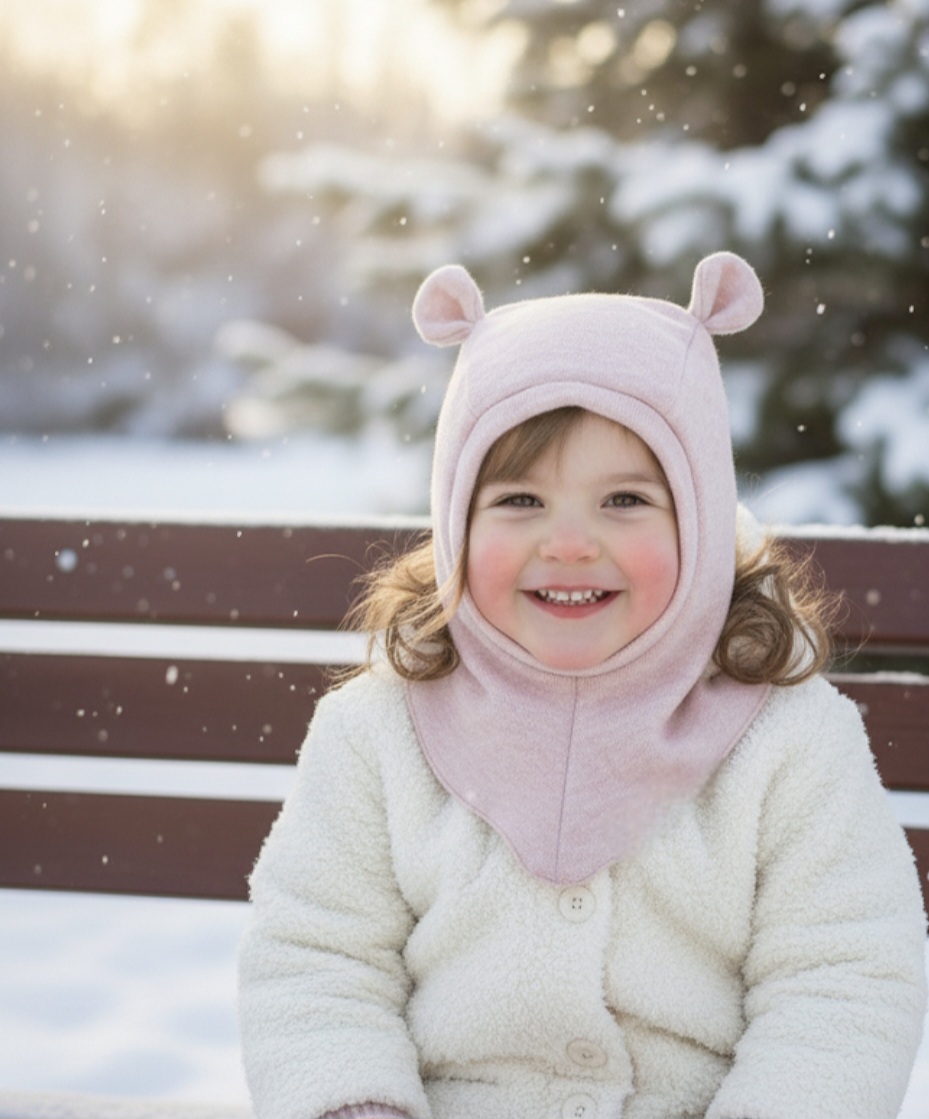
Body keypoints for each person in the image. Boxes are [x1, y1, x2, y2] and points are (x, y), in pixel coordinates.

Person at [238, 253, 927, 1119]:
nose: (568, 542)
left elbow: (846, 974)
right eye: (520, 500)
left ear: (702, 517)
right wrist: (353, 1102)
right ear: (454, 519)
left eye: (626, 500)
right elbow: (316, 958)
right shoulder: (377, 729)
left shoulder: (787, 737)